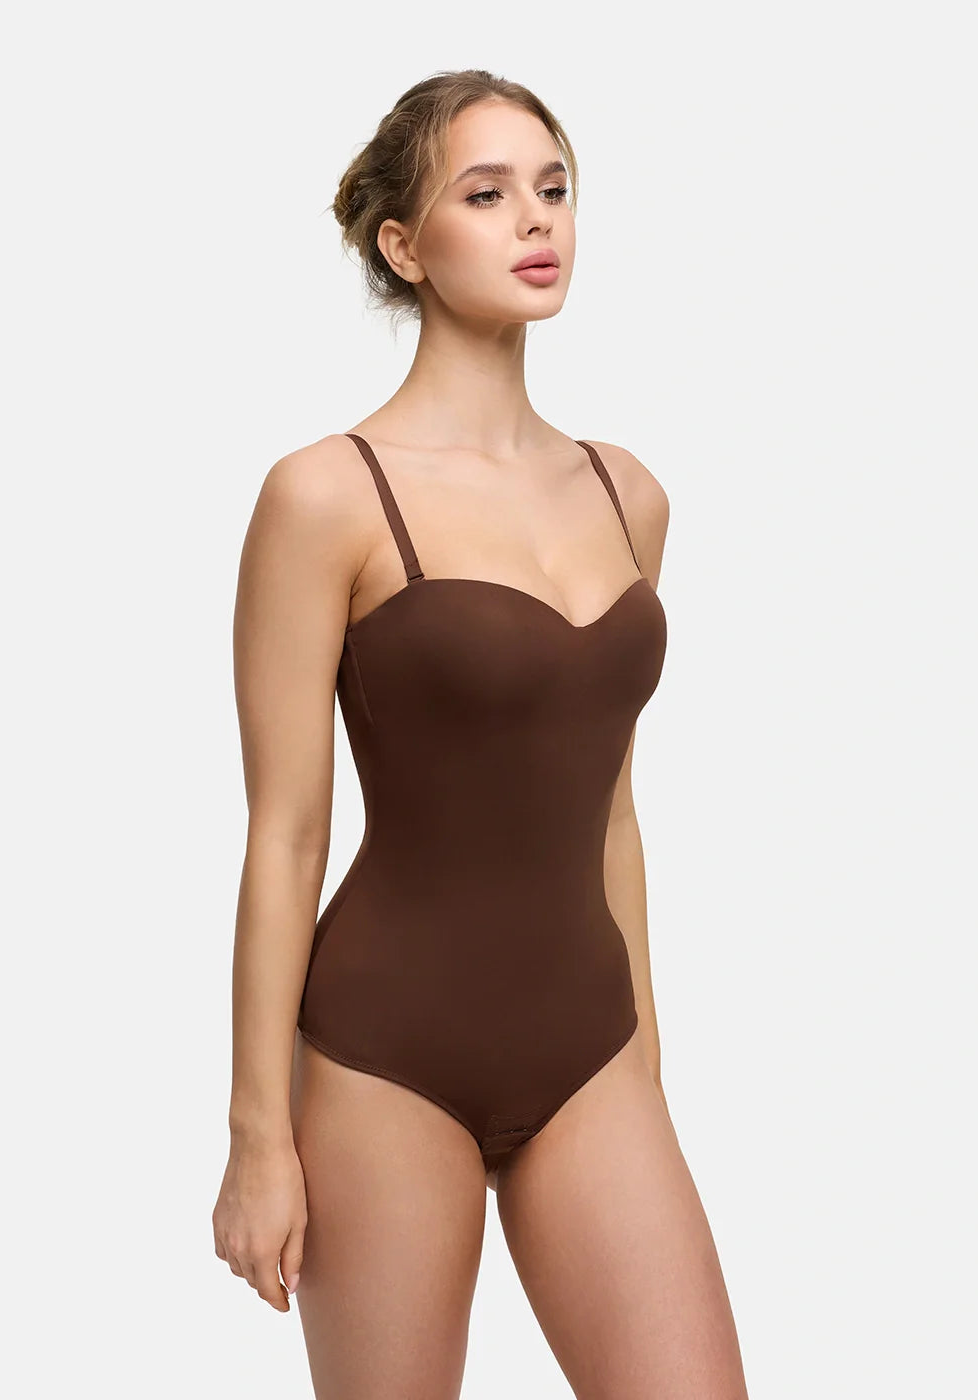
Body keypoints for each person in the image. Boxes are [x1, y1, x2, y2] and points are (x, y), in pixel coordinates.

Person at [214, 68, 750, 1400]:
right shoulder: (326, 497)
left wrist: (650, 1063)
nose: (536, 218)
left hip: (591, 1048)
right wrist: (258, 1141)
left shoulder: (630, 495)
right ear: (405, 246)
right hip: (384, 1055)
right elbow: (285, 835)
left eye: (553, 188)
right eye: (488, 192)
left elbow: (612, 810)